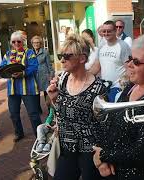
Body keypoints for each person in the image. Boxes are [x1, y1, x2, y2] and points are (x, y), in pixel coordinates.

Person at [93, 35, 144, 179]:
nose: (128, 64)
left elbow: (143, 152)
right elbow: (111, 124)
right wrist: (102, 158)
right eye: (130, 58)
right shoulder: (131, 87)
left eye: (136, 61)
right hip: (117, 170)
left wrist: (103, 155)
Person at [47, 34, 108, 179]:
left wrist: (103, 156)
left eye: (67, 56)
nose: (62, 60)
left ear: (82, 58)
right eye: (61, 55)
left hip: (90, 151)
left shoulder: (98, 88)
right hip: (67, 148)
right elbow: (61, 113)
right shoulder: (62, 80)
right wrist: (54, 99)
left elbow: (105, 124)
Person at [1, 31, 42, 142]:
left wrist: (22, 73)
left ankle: (40, 137)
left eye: (19, 41)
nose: (16, 43)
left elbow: (34, 67)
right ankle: (19, 133)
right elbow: (2, 67)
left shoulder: (29, 53)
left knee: (33, 114)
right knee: (13, 113)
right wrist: (9, 73)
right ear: (11, 43)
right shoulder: (8, 54)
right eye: (13, 42)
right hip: (13, 89)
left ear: (22, 42)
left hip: (28, 88)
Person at [90, 20, 131, 102]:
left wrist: (124, 85)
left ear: (115, 31)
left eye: (109, 31)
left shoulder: (123, 46)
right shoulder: (102, 46)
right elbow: (96, 66)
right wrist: (84, 76)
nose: (106, 33)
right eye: (104, 31)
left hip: (118, 88)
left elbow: (129, 67)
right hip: (104, 87)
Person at [31, 35, 54, 111]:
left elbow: (49, 65)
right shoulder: (30, 53)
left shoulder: (45, 52)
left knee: (47, 93)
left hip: (44, 75)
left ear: (40, 43)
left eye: (38, 42)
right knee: (35, 93)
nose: (36, 44)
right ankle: (38, 109)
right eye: (34, 42)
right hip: (34, 76)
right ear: (32, 43)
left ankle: (50, 110)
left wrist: (51, 76)